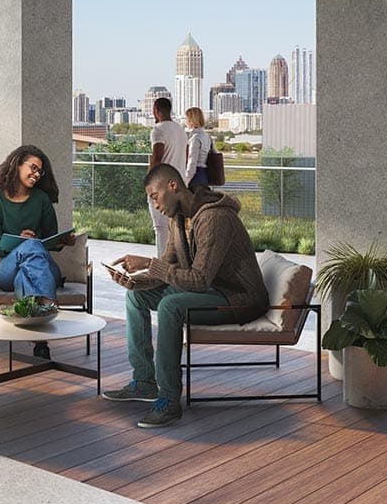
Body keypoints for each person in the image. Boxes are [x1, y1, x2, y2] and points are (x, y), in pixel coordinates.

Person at [105, 164, 268, 429]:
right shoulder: (178, 219)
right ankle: (145, 382)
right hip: (210, 290)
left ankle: (169, 400)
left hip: (239, 298)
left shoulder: (215, 218)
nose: (154, 204)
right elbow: (167, 269)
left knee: (171, 306)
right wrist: (136, 283)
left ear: (173, 186)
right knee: (136, 298)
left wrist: (148, 261)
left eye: (154, 196)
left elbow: (199, 279)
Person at [0, 146, 67, 360]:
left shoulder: (41, 199)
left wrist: (62, 241)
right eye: (33, 168)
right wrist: (20, 242)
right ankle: (48, 304)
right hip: (6, 270)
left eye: (40, 171)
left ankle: (39, 342)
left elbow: (50, 239)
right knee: (29, 247)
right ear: (17, 164)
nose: (37, 174)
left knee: (27, 267)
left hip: (43, 267)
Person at [146, 97, 189, 245]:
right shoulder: (181, 130)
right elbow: (187, 155)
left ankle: (161, 266)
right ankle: (174, 265)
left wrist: (149, 184)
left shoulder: (158, 130)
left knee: (160, 229)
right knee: (176, 230)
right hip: (180, 185)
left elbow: (157, 157)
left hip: (162, 187)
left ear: (156, 110)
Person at [183, 107, 213, 188]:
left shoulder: (195, 138)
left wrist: (186, 181)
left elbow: (192, 161)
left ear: (191, 120)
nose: (185, 121)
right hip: (204, 176)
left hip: (195, 177)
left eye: (186, 118)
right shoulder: (207, 136)